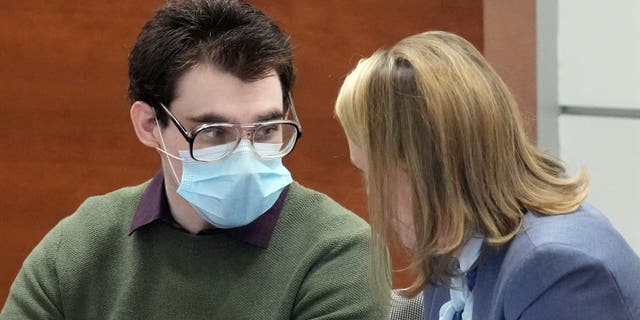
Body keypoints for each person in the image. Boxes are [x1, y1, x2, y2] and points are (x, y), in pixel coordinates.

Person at [1, 1, 389, 319]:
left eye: (267, 130)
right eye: (214, 133)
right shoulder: (82, 244)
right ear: (150, 124)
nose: (246, 156)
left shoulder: (340, 254)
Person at [335, 30, 640, 320]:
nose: (371, 194)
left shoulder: (556, 269)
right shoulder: (453, 245)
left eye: (372, 173)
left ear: (429, 168)